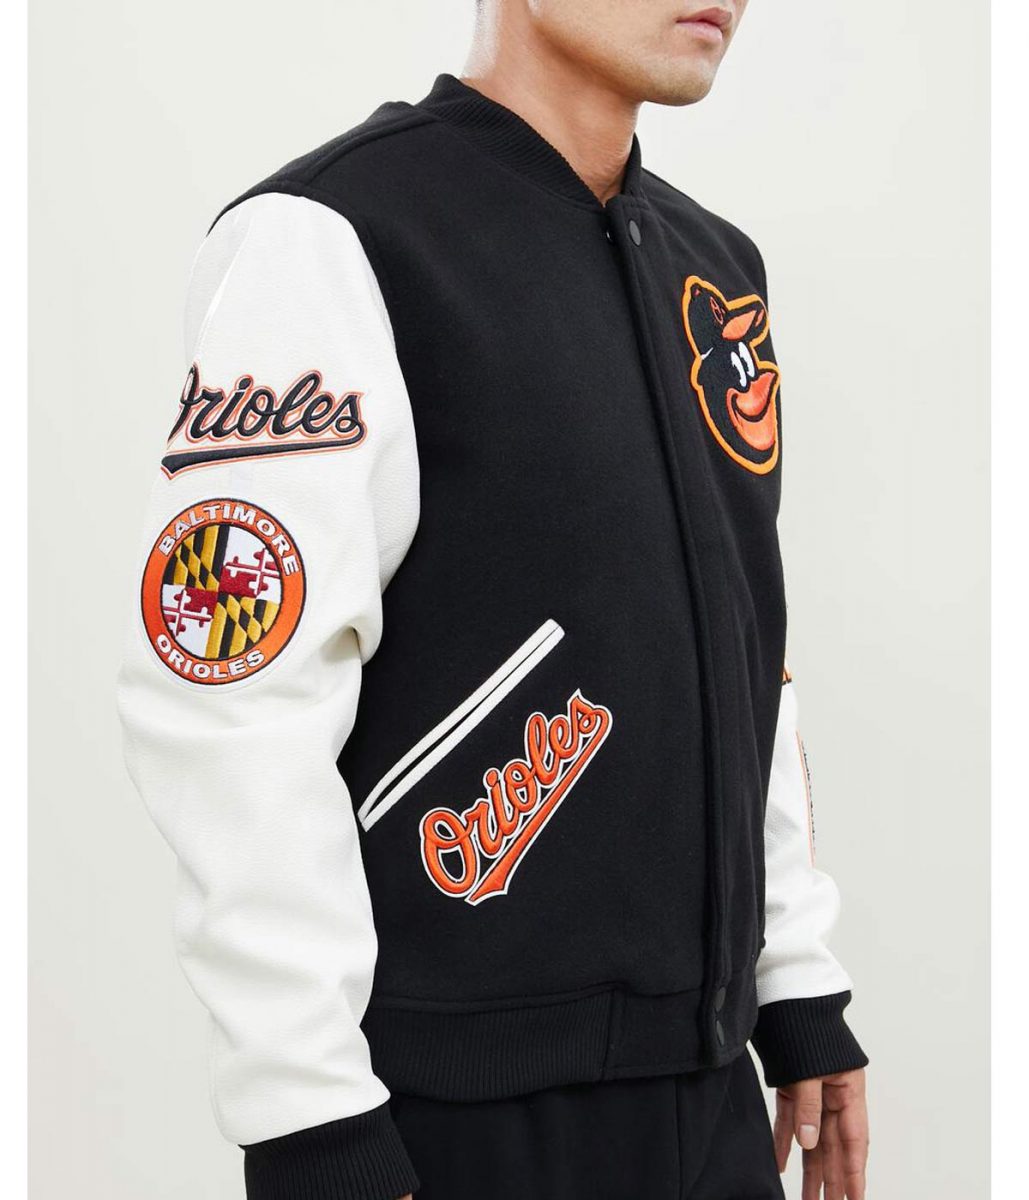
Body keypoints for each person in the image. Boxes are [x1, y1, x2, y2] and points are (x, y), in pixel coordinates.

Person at [118, 2, 870, 1198]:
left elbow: (744, 642)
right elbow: (226, 688)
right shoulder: (333, 239)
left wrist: (795, 977)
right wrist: (304, 1108)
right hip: (449, 1113)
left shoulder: (717, 274)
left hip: (711, 1087)